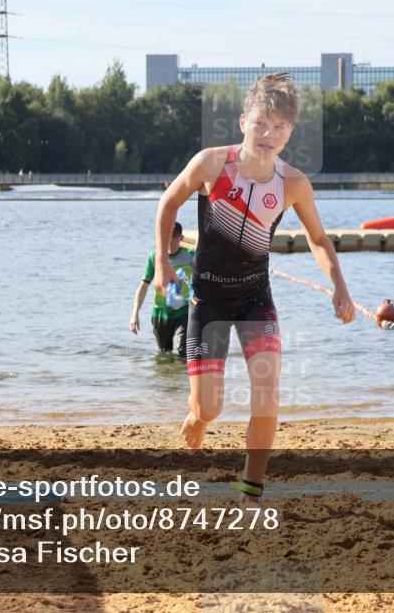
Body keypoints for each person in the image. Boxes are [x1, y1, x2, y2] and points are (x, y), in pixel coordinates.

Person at [153, 73, 356, 501]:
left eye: (279, 127)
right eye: (261, 123)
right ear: (243, 121)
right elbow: (168, 203)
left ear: (290, 132)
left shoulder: (293, 184)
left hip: (254, 299)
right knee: (210, 406)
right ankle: (198, 416)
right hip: (208, 299)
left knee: (267, 396)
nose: (268, 134)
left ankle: (250, 487)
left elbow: (318, 239)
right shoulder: (212, 164)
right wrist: (162, 265)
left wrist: (339, 284)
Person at [130, 222, 194, 358]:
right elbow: (144, 285)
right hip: (161, 313)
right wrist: (135, 314)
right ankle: (167, 372)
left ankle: (181, 371)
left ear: (181, 238)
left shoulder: (190, 256)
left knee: (182, 353)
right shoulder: (155, 257)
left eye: (174, 236)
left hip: (184, 311)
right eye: (167, 235)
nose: (170, 240)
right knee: (164, 355)